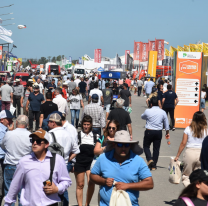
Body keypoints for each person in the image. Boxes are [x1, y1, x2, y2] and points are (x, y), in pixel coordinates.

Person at [4, 128, 72, 206]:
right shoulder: (24, 162)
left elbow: (66, 181)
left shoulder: (58, 160)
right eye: (33, 141)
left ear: (46, 144)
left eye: (38, 141)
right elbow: (14, 186)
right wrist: (7, 204)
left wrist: (57, 188)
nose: (35, 143)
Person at [90, 130, 154, 206]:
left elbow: (149, 183)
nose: (123, 148)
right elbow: (92, 176)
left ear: (130, 145)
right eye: (120, 145)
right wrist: (104, 181)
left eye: (126, 145)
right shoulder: (103, 158)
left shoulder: (138, 161)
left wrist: (127, 185)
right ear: (114, 144)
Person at [47, 113, 80, 206]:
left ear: (53, 123)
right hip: (65, 165)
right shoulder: (68, 134)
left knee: (50, 190)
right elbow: (76, 151)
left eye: (49, 122)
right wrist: (67, 160)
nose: (47, 123)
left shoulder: (49, 135)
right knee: (63, 188)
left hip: (50, 167)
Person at [1, 115, 31, 206]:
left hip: (10, 165)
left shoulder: (9, 134)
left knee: (9, 193)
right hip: (25, 166)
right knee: (22, 193)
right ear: (27, 124)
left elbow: (3, 146)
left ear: (16, 123)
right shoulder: (30, 135)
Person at [174, 111, 207, 187]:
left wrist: (177, 155)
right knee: (199, 176)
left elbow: (183, 143)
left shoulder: (188, 129)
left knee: (186, 175)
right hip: (202, 153)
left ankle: (190, 192)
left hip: (190, 152)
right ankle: (197, 193)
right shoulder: (206, 130)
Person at [74, 115, 99, 206]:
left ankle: (87, 204)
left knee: (91, 183)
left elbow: (98, 150)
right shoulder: (78, 135)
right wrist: (72, 163)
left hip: (91, 163)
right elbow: (73, 150)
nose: (86, 126)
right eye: (84, 124)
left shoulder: (96, 136)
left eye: (88, 124)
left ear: (91, 125)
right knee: (80, 185)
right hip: (79, 162)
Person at [141, 96, 169, 170]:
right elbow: (166, 124)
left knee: (146, 146)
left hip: (149, 131)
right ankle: (154, 166)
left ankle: (150, 159)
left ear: (151, 104)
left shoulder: (148, 111)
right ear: (158, 103)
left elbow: (142, 117)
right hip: (158, 132)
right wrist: (167, 132)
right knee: (156, 149)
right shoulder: (162, 112)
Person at [0, 110, 14, 205]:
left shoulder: (5, 129)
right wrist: (11, 133)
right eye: (8, 119)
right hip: (1, 159)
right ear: (2, 120)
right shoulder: (2, 130)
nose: (10, 121)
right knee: (1, 183)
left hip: (3, 159)